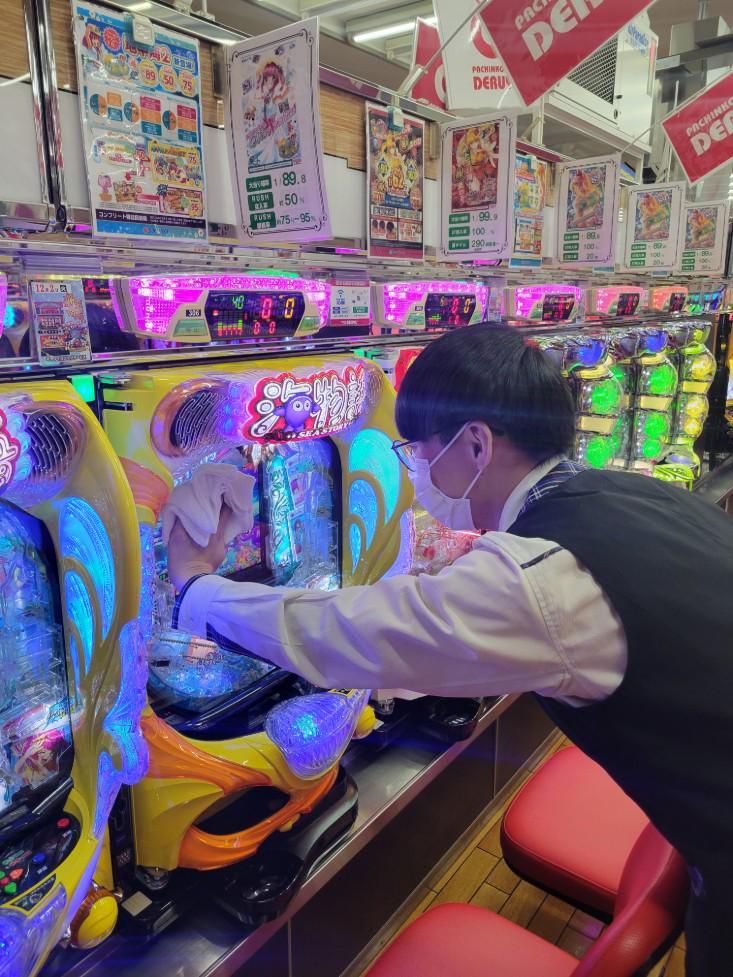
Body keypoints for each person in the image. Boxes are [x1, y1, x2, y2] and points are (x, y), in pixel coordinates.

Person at [168, 324, 733, 977]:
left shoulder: (542, 577)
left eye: (416, 450)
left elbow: (351, 634)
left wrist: (196, 586)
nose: (412, 469)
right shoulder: (630, 493)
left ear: (475, 444)